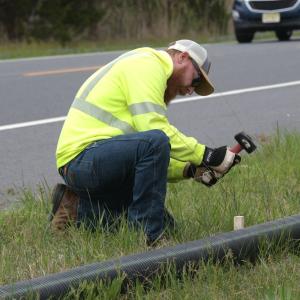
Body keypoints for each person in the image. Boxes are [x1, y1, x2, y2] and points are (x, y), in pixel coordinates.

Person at [50, 39, 241, 244]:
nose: (191, 90)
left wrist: (190, 169)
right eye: (196, 80)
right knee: (156, 141)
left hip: (96, 159)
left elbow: (151, 159)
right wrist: (208, 155)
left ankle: (76, 208)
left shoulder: (149, 73)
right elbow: (155, 133)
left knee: (170, 228)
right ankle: (149, 238)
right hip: (82, 159)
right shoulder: (148, 64)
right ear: (182, 57)